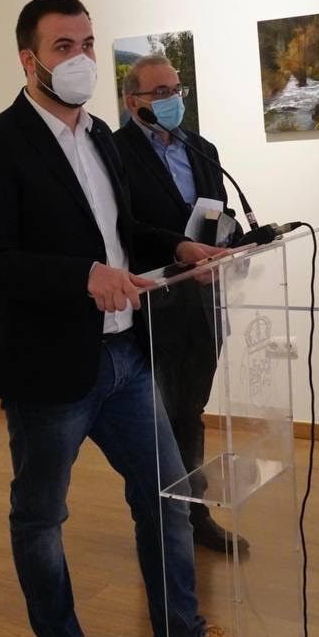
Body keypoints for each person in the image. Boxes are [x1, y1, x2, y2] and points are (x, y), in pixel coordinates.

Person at [0, 0, 235, 637]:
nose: (80, 58)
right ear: (28, 60)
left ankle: (182, 633)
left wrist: (179, 247)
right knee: (41, 516)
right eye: (63, 46)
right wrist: (84, 275)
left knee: (166, 496)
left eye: (86, 44)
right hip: (48, 368)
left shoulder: (102, 136)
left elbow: (122, 229)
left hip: (126, 358)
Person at [115, 54, 247, 554]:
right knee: (161, 418)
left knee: (191, 411)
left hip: (204, 303)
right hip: (155, 307)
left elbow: (217, 213)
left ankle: (195, 514)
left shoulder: (202, 149)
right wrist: (179, 248)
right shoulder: (115, 152)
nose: (172, 100)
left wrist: (229, 244)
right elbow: (124, 227)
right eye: (160, 93)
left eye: (176, 90)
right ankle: (163, 520)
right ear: (133, 102)